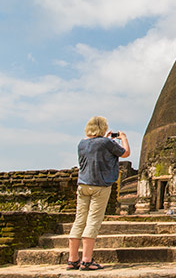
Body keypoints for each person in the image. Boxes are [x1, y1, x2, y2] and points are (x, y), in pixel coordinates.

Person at [66, 116, 130, 271]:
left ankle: (72, 259)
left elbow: (94, 152)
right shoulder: (106, 143)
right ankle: (87, 261)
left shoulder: (82, 143)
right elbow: (125, 153)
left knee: (79, 220)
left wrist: (105, 140)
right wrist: (123, 138)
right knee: (93, 220)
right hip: (100, 186)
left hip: (83, 185)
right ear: (103, 128)